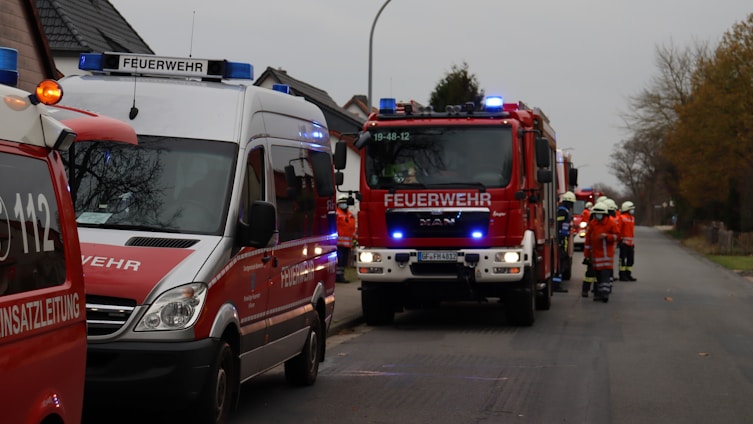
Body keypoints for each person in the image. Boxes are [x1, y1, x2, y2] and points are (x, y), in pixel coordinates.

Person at [583, 202, 620, 302]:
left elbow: (617, 236)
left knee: (605, 277)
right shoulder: (593, 223)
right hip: (595, 256)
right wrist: (587, 254)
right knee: (598, 277)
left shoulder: (611, 223)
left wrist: (606, 236)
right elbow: (588, 239)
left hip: (606, 256)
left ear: (605, 214)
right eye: (596, 214)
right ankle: (599, 294)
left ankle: (604, 295)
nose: (597, 216)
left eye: (599, 214)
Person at [553, 191, 575, 292]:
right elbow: (558, 224)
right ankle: (556, 285)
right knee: (560, 262)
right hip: (561, 240)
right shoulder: (563, 210)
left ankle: (557, 283)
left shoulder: (564, 209)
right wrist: (560, 239)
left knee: (562, 261)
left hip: (562, 239)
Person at [336, 196, 357, 283]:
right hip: (338, 243)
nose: (344, 204)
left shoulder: (350, 215)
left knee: (344, 261)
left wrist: (354, 240)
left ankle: (341, 275)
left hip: (347, 244)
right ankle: (338, 277)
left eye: (345, 203)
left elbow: (352, 229)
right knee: (339, 261)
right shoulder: (336, 214)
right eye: (342, 203)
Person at [618, 201, 637, 281]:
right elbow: (618, 230)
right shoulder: (621, 217)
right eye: (631, 209)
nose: (633, 210)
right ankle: (622, 275)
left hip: (630, 243)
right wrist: (620, 240)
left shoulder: (632, 218)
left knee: (630, 260)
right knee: (623, 260)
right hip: (623, 243)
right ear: (627, 209)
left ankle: (628, 274)